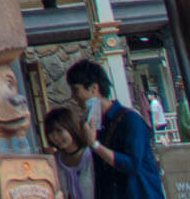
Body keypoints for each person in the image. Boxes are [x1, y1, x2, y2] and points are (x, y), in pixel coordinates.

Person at [66, 60, 164, 199]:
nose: (73, 97)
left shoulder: (130, 120)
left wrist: (95, 145)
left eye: (76, 90)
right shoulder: (94, 125)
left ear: (94, 88)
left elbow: (132, 164)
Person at [42, 104, 96, 199]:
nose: (55, 137)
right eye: (50, 133)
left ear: (71, 127)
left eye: (59, 131)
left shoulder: (91, 156)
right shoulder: (54, 162)